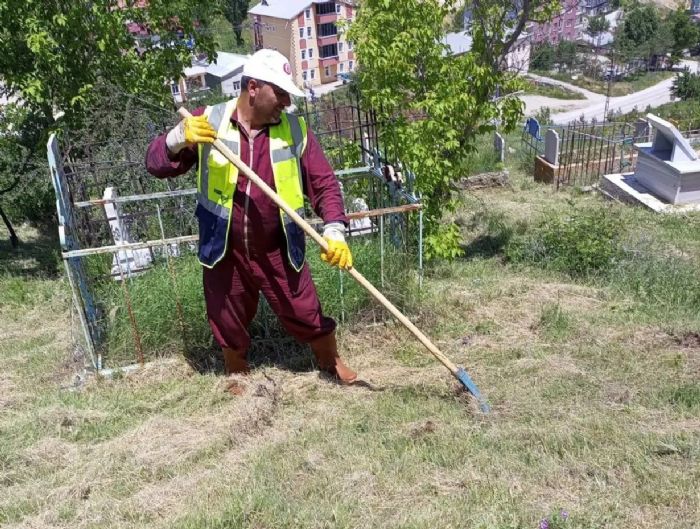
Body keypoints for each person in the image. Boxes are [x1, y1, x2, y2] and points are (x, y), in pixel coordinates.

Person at [145, 49, 357, 383]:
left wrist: (334, 230)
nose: (286, 102)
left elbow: (324, 184)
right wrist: (175, 140)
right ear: (254, 87)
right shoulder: (207, 122)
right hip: (224, 246)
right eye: (281, 93)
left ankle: (329, 360)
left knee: (305, 308)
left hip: (278, 245)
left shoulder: (295, 130)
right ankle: (237, 372)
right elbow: (155, 164)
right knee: (226, 315)